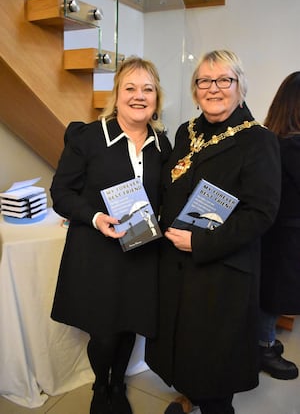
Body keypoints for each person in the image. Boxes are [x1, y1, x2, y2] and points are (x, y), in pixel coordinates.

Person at [145, 50, 281, 414]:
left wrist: (201, 241)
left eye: (224, 80)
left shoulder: (259, 141)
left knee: (213, 368)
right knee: (184, 355)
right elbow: (168, 186)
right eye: (204, 80)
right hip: (175, 267)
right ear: (195, 89)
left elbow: (261, 213)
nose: (213, 88)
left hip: (221, 273)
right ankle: (189, 397)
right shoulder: (185, 132)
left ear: (240, 86)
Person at [50, 56, 172, 414]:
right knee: (103, 332)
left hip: (143, 251)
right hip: (97, 253)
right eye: (130, 88)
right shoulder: (87, 137)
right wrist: (94, 217)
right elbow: (61, 193)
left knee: (130, 324)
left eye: (147, 89)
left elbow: (166, 196)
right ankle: (100, 387)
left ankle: (118, 384)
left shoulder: (163, 146)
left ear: (156, 98)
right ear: (116, 94)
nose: (139, 96)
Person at [259, 71, 300, 380]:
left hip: (274, 233)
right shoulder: (292, 146)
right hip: (285, 235)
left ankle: (266, 342)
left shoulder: (272, 139)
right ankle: (263, 347)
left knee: (270, 295)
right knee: (272, 298)